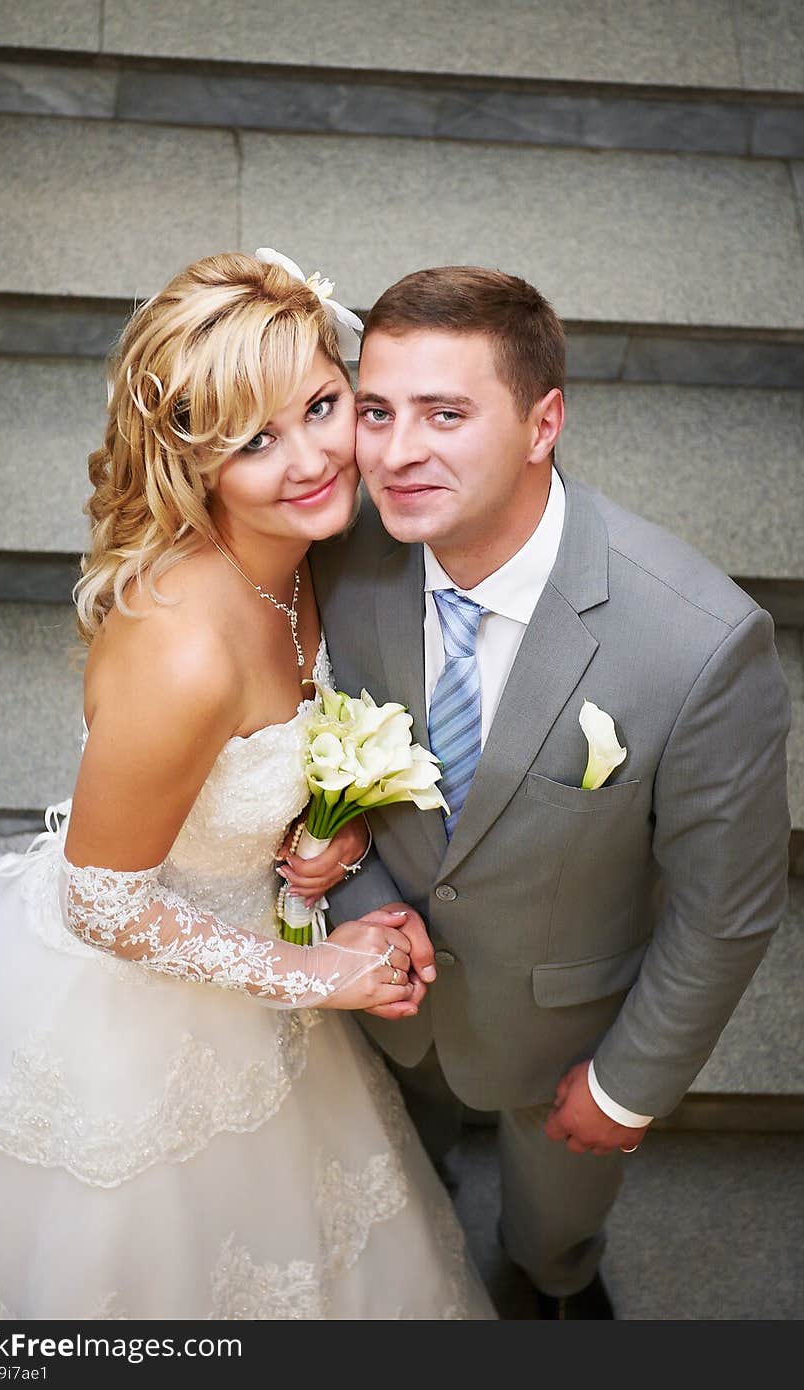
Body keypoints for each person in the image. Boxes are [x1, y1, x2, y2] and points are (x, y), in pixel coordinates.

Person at [0, 252, 495, 1321]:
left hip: (254, 948)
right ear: (194, 462)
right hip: (126, 1021)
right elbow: (100, 900)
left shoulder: (316, 557)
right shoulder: (182, 645)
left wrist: (332, 843)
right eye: (254, 439)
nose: (316, 457)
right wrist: (315, 972)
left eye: (323, 406)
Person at [312, 265, 791, 1319]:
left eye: (446, 413)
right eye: (378, 411)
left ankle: (550, 1277)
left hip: (565, 1030)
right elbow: (305, 746)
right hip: (378, 1005)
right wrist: (353, 909)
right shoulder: (337, 565)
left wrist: (626, 1083)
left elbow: (726, 906)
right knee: (388, 1176)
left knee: (553, 1228)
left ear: (543, 423)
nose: (395, 454)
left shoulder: (699, 644)